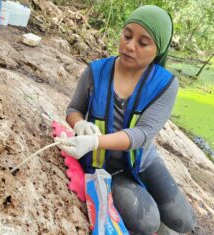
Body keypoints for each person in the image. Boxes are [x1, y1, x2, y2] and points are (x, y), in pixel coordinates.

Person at [55, 5, 196, 235]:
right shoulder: (95, 71)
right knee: (147, 223)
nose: (130, 46)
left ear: (158, 50)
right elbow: (74, 109)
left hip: (143, 160)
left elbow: (143, 134)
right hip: (107, 164)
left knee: (184, 222)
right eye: (127, 35)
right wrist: (79, 124)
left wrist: (95, 141)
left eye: (143, 42)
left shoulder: (166, 84)